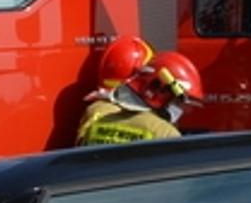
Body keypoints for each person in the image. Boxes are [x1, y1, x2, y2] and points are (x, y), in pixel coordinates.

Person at [75, 50, 203, 146]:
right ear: (160, 92)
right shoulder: (166, 134)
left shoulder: (96, 117)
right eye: (180, 102)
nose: (185, 111)